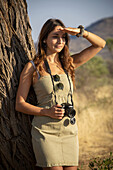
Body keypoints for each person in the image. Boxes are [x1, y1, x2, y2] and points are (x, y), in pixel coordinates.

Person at [15, 18, 106, 170]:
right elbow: (20, 104)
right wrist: (47, 111)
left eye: (63, 37)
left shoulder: (68, 63)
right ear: (44, 40)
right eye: (55, 36)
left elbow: (100, 44)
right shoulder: (32, 67)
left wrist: (80, 32)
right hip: (45, 131)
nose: (60, 41)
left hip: (69, 130)